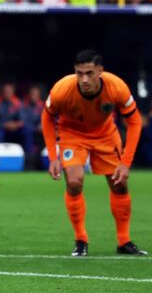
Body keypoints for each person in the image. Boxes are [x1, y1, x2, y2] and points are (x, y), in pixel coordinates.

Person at [42, 50, 146, 256]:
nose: (84, 79)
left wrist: (126, 162)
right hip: (72, 134)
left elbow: (135, 121)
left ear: (100, 71)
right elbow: (47, 118)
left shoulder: (116, 86)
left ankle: (123, 241)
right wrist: (53, 157)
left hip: (106, 135)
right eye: (79, 73)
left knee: (119, 184)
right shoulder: (62, 89)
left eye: (89, 73)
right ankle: (81, 240)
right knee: (74, 182)